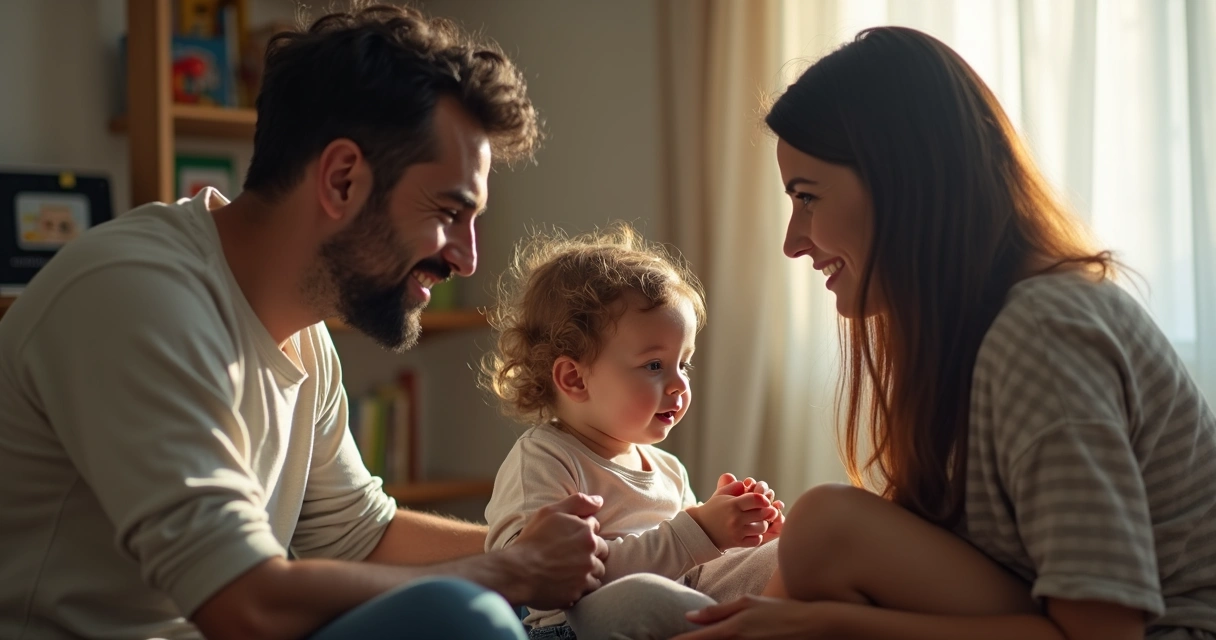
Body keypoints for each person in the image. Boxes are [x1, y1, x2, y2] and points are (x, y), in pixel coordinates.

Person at [0, 5, 610, 640]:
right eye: (449, 212)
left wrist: (575, 554)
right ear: (342, 179)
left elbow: (358, 535)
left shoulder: (303, 336)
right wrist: (513, 571)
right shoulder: (134, 297)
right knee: (466, 616)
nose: (465, 256)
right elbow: (245, 603)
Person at [675, 26, 1216, 640]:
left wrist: (831, 624)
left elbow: (1104, 636)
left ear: (900, 183)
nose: (794, 242)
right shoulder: (970, 334)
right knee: (820, 535)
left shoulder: (1042, 337)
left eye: (807, 198)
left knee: (826, 529)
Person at [480, 225, 784, 639]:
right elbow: (541, 584)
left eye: (685, 364)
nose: (679, 384)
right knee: (641, 597)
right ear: (575, 378)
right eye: (654, 365)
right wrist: (699, 530)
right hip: (572, 629)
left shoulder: (668, 469)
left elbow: (696, 569)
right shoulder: (543, 460)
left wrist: (739, 536)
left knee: (790, 555)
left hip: (675, 610)